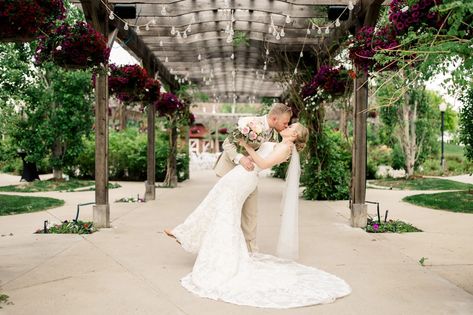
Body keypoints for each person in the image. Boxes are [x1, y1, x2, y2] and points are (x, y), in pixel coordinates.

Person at [164, 123, 351, 309]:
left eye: (291, 125)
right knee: (214, 204)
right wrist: (248, 139)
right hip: (239, 174)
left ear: (294, 134)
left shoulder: (286, 148)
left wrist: (245, 147)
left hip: (245, 178)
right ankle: (186, 233)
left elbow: (263, 163)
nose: (287, 125)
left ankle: (213, 253)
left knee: (225, 214)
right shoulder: (278, 142)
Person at [213, 102, 292, 252]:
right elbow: (228, 143)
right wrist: (241, 159)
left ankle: (249, 249)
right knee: (228, 211)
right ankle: (224, 247)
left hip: (248, 176)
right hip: (230, 171)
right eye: (285, 123)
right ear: (274, 119)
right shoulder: (251, 123)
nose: (287, 126)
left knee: (251, 212)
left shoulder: (274, 134)